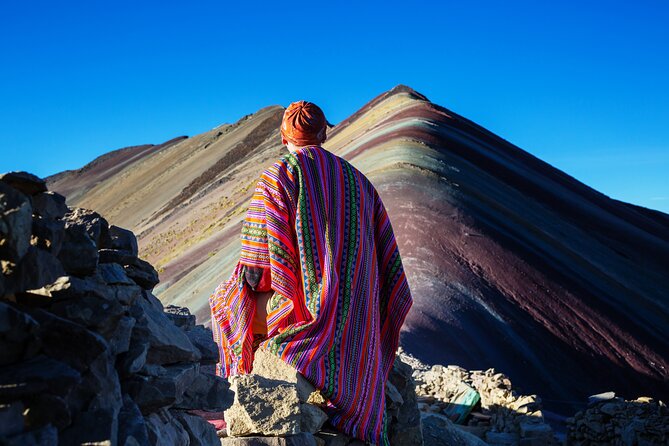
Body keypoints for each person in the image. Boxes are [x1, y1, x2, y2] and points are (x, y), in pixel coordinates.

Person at [209, 100, 412, 445]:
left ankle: (237, 393)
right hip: (359, 328)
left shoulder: (279, 174)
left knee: (226, 300)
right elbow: (388, 265)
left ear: (283, 136)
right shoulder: (359, 181)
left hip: (302, 318)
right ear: (323, 133)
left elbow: (258, 272)